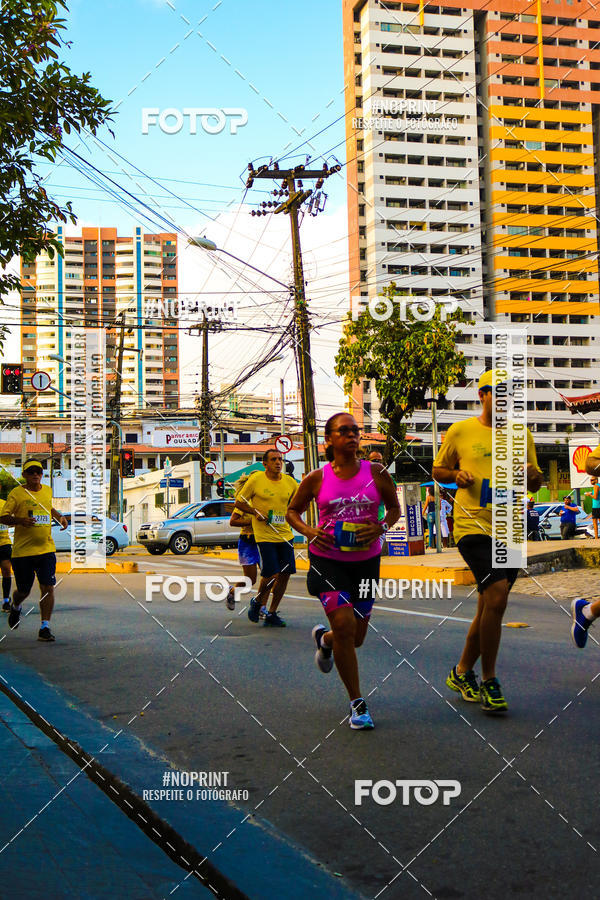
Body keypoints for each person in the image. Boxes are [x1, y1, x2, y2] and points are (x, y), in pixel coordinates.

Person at [433, 370, 543, 713]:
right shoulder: (461, 431)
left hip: (509, 528)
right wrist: (456, 475)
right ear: (482, 395)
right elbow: (438, 470)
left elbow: (535, 483)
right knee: (496, 595)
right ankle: (489, 679)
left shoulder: (521, 434)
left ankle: (461, 672)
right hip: (472, 526)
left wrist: (533, 476)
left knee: (489, 606)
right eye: (498, 392)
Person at [287, 412, 400, 730]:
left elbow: (394, 508)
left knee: (355, 637)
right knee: (345, 625)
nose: (352, 435)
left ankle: (325, 640)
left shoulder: (376, 472)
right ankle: (357, 703)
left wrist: (381, 527)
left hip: (366, 563)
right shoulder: (316, 478)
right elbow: (292, 511)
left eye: (355, 430)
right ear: (329, 439)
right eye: (344, 431)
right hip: (328, 561)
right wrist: (309, 532)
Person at [0, 460, 68, 641]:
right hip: (23, 552)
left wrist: (59, 516)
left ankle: (45, 627)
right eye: (31, 472)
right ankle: (15, 606)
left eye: (38, 471)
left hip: (46, 549)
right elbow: (3, 517)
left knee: (48, 587)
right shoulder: (16, 493)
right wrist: (21, 520)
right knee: (23, 591)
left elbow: (47, 507)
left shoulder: (47, 491)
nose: (35, 475)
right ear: (24, 475)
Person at [234, 449, 297, 627]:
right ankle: (258, 601)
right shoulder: (256, 480)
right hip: (264, 536)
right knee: (271, 574)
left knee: (285, 575)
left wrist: (294, 512)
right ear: (265, 464)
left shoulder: (290, 482)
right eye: (274, 459)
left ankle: (271, 612)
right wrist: (255, 512)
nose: (278, 462)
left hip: (285, 534)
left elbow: (300, 501)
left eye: (280, 459)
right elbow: (239, 502)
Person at [225, 475, 260, 612]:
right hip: (248, 541)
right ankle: (232, 592)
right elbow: (233, 521)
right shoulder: (245, 502)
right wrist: (252, 521)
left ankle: (260, 606)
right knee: (250, 579)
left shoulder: (263, 501)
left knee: (271, 576)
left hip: (264, 540)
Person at [0, 495, 13, 612]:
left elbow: (13, 520)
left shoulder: (5, 504)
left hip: (4, 543)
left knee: (6, 571)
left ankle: (5, 601)